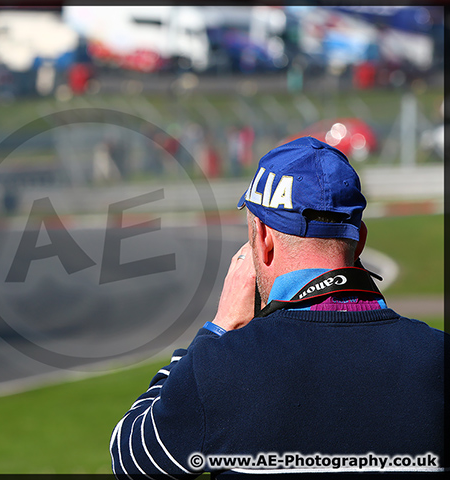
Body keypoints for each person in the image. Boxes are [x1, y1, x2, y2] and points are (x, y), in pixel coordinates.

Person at [110, 137, 445, 478]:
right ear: (359, 239)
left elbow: (130, 460)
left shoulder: (218, 366)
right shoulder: (438, 356)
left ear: (265, 239)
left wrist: (218, 329)